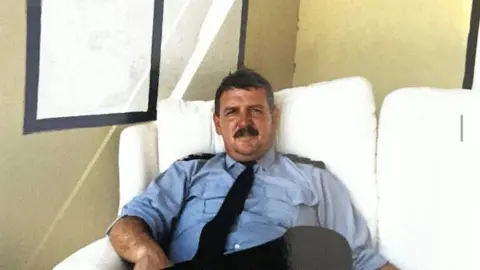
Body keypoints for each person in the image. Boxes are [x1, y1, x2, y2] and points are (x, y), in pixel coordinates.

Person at [107, 68, 398, 270]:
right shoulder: (188, 172)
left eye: (255, 111)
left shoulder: (314, 178)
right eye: (232, 112)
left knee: (322, 246)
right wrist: (146, 252)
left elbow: (357, 257)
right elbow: (128, 223)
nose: (244, 122)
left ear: (274, 117)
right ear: (218, 123)